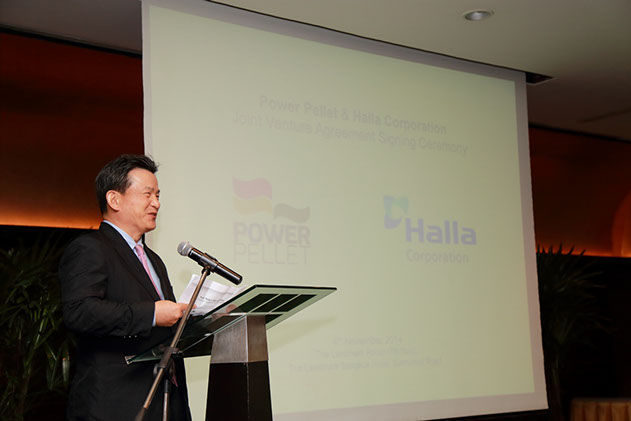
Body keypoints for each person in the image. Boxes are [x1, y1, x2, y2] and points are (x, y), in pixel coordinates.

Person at [59, 155, 192, 420]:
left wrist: (207, 316)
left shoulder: (153, 259)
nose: (156, 203)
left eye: (158, 195)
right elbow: (80, 311)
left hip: (164, 401)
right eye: (147, 194)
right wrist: (152, 314)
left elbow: (164, 327)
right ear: (114, 199)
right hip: (115, 405)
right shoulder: (90, 248)